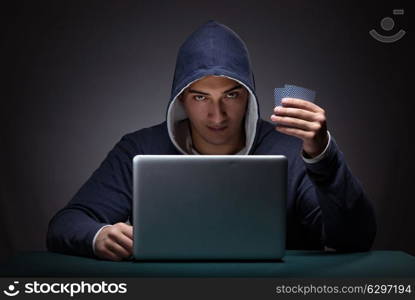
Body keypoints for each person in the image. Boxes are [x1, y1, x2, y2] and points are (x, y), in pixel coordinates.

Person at [47, 20, 376, 261]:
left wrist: (322, 154)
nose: (217, 116)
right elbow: (65, 223)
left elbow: (354, 238)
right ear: (181, 100)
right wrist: (97, 235)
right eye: (201, 97)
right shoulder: (139, 148)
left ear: (248, 97)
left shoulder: (292, 148)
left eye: (231, 95)